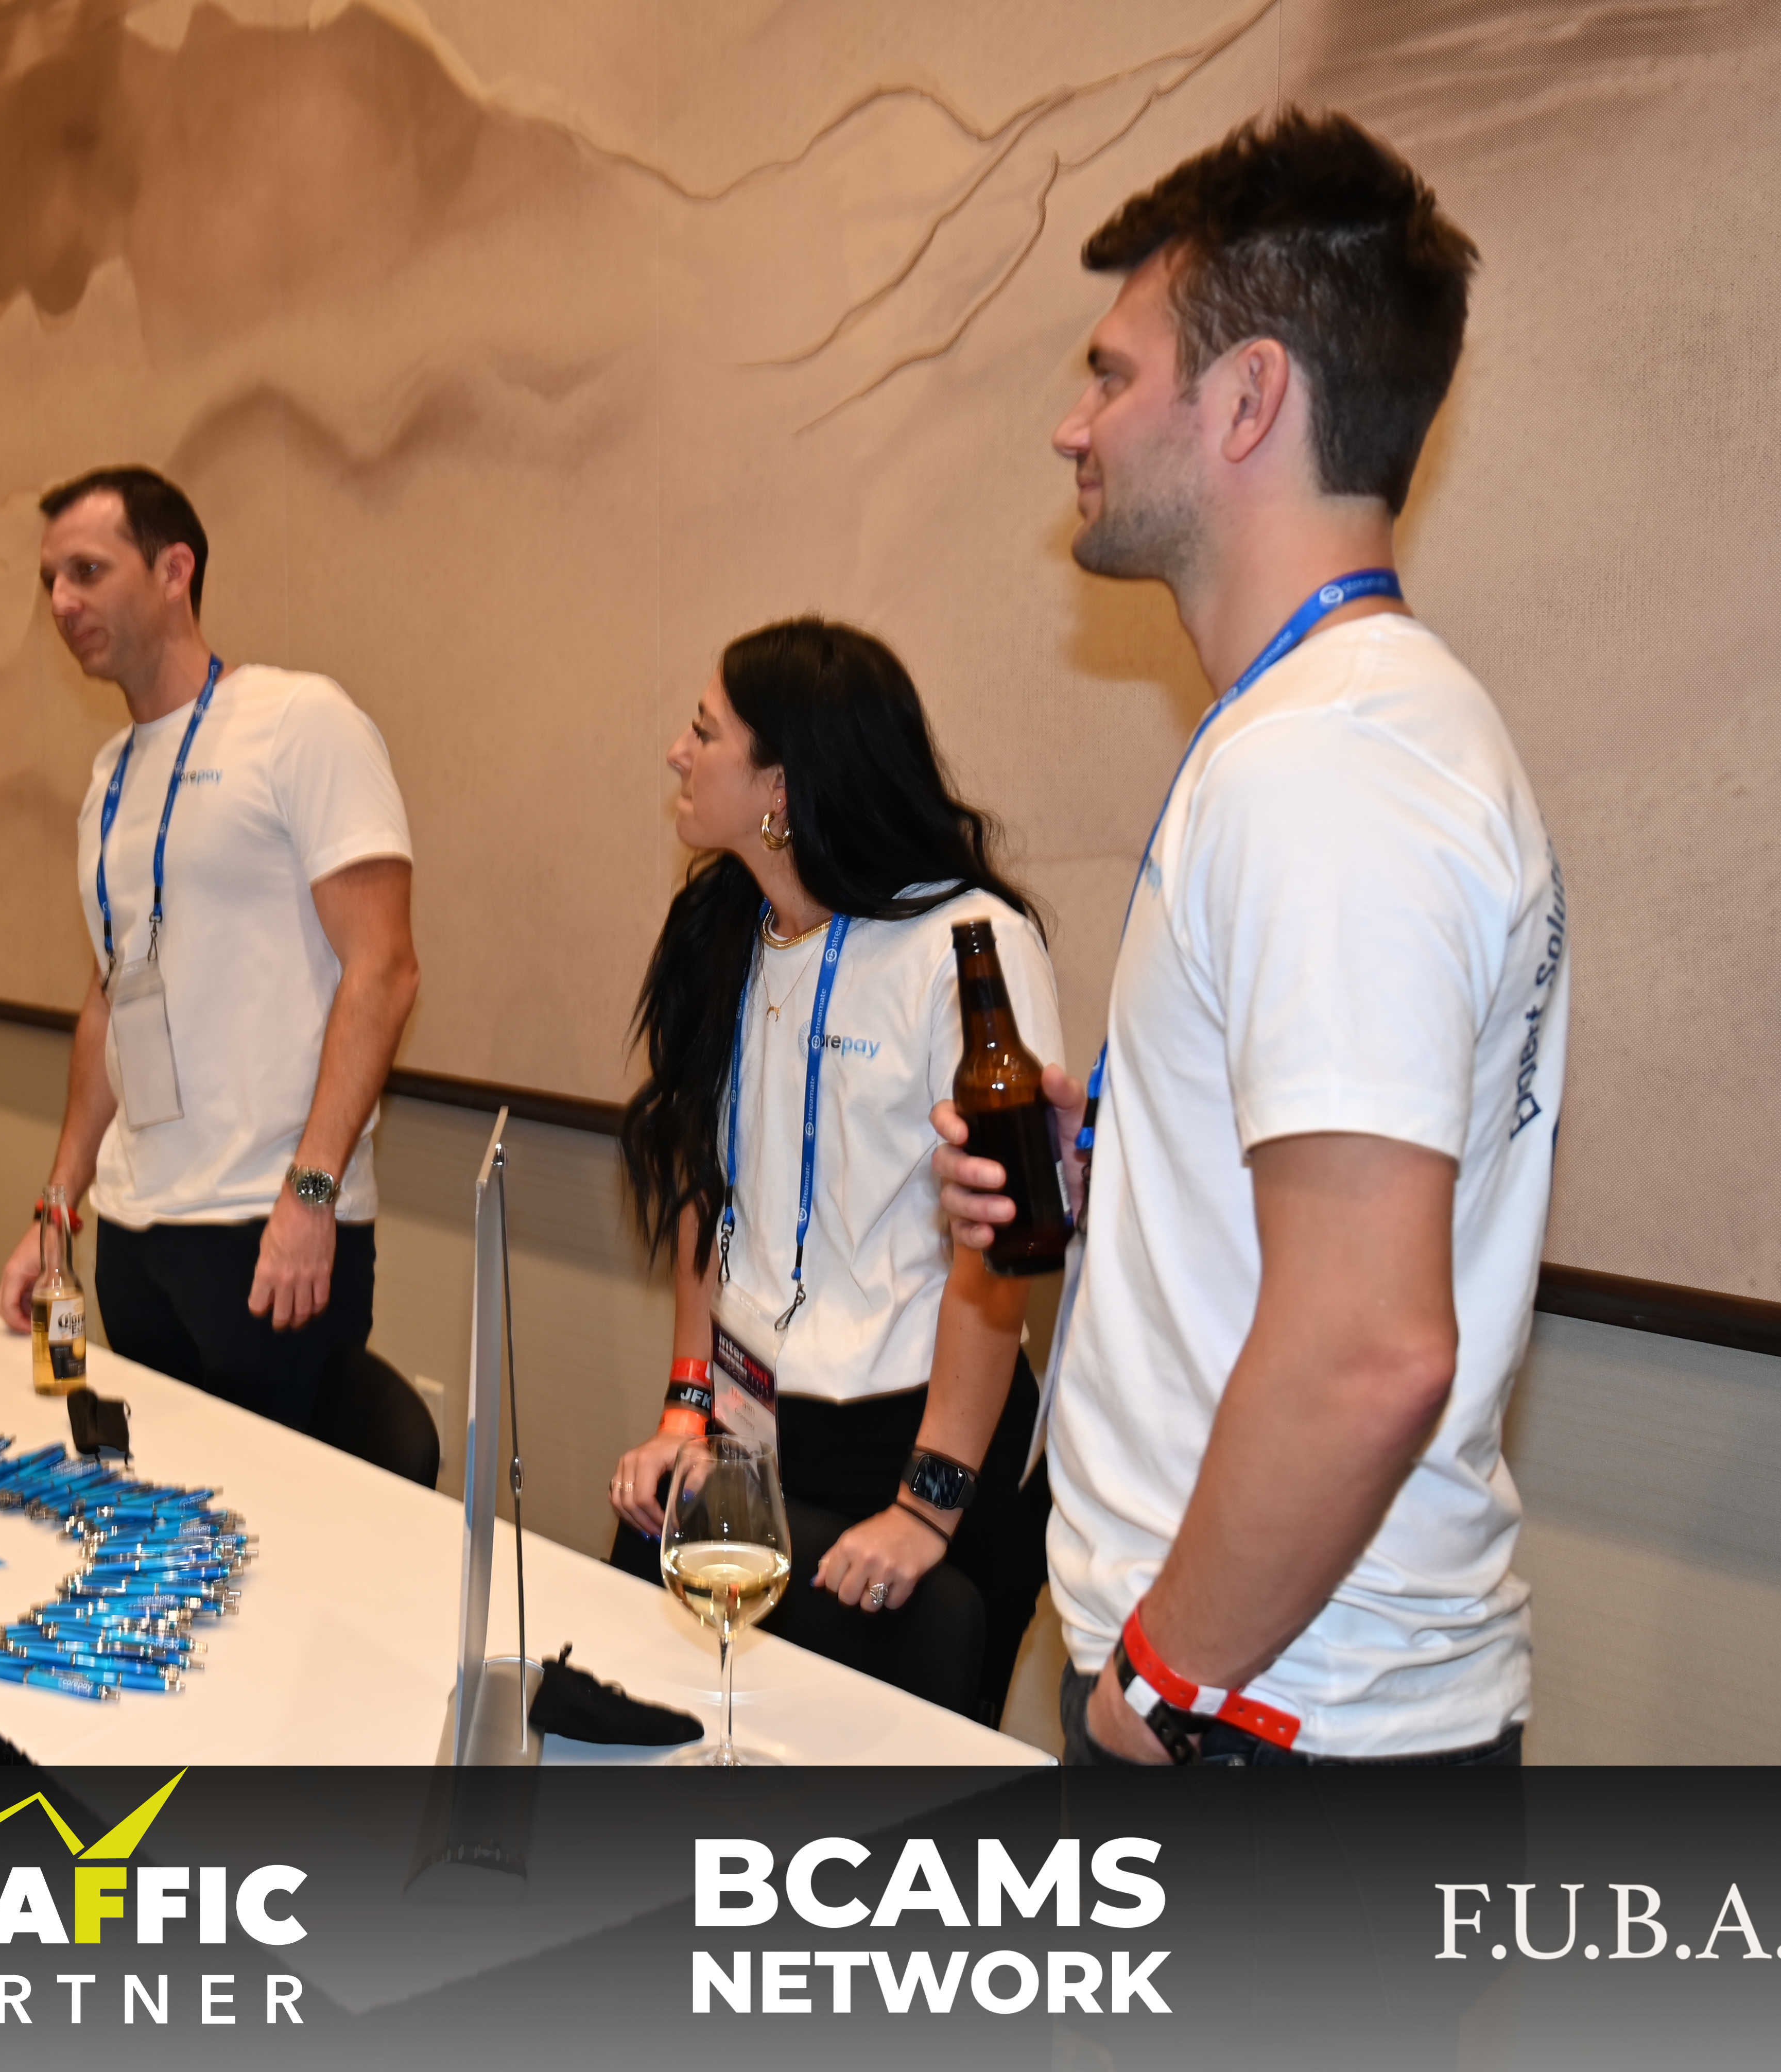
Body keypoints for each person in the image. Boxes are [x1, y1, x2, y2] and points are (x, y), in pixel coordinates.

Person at [940, 110, 1569, 1766]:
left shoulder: (1332, 765)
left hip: (1264, 1721)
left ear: (1247, 400)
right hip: (1268, 1710)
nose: (1071, 425)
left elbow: (1372, 1348)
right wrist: (1115, 1161)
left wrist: (1158, 1685)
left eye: (1112, 374)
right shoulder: (1327, 738)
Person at [604, 618, 1058, 1726]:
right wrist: (685, 1404)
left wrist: (927, 1503)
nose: (676, 750)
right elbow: (705, 1187)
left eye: (705, 730)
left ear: (781, 785)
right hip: (750, 1425)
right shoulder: (720, 923)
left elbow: (997, 1256)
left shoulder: (971, 943)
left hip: (916, 1432)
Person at [0, 465, 420, 1437]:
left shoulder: (299, 723)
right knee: (164, 1494)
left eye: (88, 571)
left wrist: (311, 1192)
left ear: (174, 569)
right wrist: (57, 1213)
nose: (62, 603)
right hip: (136, 1231)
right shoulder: (109, 776)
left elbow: (386, 969)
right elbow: (110, 1000)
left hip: (268, 1227)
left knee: (277, 1512)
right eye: (50, 580)